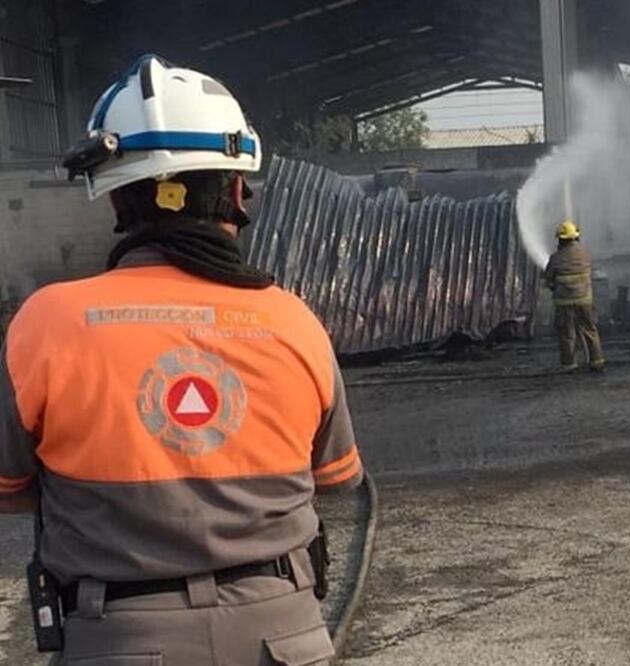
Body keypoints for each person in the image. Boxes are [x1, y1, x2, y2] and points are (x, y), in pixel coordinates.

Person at [0, 55, 361, 665]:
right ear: (238, 190)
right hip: (286, 636)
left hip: (117, 640)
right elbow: (335, 478)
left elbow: (9, 487)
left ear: (114, 199)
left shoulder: (47, 322)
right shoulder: (293, 320)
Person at [544, 219, 605, 372]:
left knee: (567, 333)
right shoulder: (585, 254)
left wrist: (554, 287)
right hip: (585, 302)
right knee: (590, 330)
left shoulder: (555, 258)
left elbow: (549, 279)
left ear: (561, 239)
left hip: (565, 304)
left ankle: (569, 365)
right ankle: (597, 362)